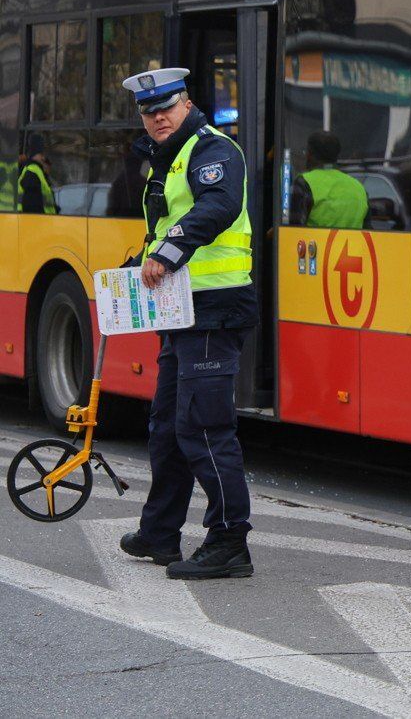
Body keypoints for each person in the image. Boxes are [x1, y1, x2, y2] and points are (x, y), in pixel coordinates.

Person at [115, 67, 258, 580]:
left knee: (203, 425)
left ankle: (228, 541)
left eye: (166, 108)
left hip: (215, 310)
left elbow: (218, 206)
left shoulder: (213, 150)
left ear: (186, 103)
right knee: (167, 427)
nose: (156, 118)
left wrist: (171, 252)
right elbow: (164, 226)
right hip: (180, 310)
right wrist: (138, 267)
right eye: (148, 112)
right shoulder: (166, 159)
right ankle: (160, 532)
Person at [289, 130, 369, 229]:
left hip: (317, 244)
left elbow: (293, 231)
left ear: (309, 154)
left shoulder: (304, 183)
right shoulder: (359, 188)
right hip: (352, 244)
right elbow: (369, 232)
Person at [17, 136, 57, 214]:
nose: (44, 157)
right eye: (42, 153)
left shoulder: (35, 171)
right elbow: (32, 205)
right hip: (36, 222)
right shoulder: (32, 172)